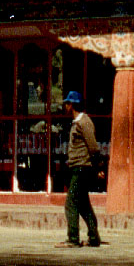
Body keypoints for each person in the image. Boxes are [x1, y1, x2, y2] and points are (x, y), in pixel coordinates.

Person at [57, 90, 105, 248]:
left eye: (67, 103)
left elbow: (93, 147)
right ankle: (93, 237)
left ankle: (73, 238)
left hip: (82, 168)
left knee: (71, 204)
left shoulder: (84, 122)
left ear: (72, 105)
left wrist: (99, 167)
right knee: (83, 204)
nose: (65, 106)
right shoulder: (77, 123)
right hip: (77, 167)